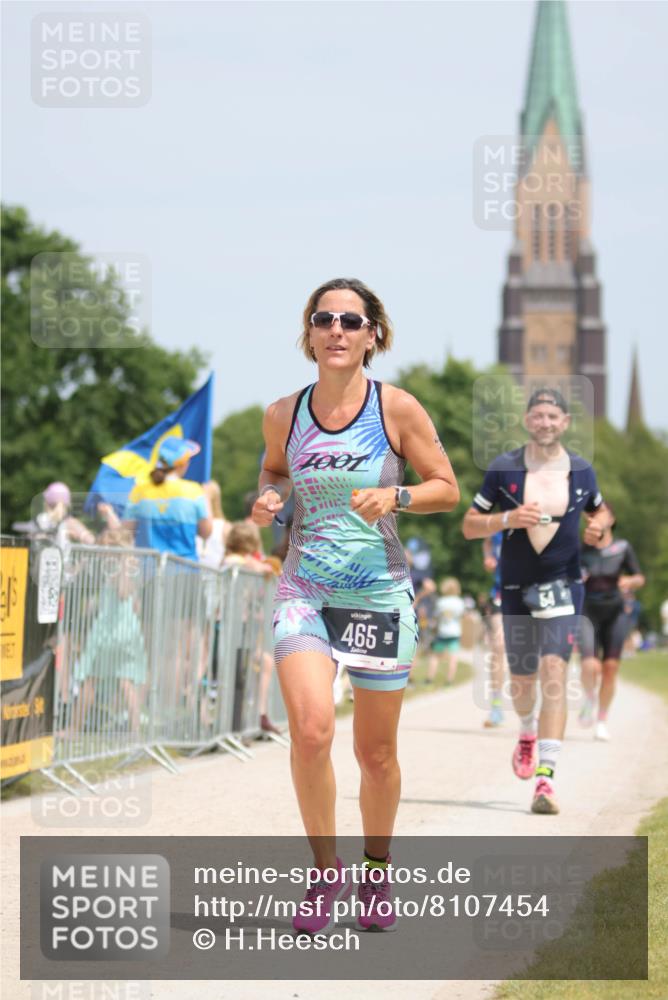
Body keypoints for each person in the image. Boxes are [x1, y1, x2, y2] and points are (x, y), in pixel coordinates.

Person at [252, 277, 459, 933]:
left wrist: (395, 498)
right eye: (324, 318)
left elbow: (447, 489)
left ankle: (376, 871)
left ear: (373, 334)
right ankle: (323, 874)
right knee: (311, 732)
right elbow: (275, 470)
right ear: (309, 332)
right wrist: (269, 499)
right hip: (305, 587)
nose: (336, 330)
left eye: (350, 319)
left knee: (376, 756)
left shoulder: (396, 409)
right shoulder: (284, 411)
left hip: (376, 592)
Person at [462, 387, 611, 816]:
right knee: (524, 683)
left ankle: (546, 778)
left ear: (565, 423)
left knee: (554, 671)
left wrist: (599, 531)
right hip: (516, 588)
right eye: (539, 415)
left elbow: (602, 514)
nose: (546, 422)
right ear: (528, 421)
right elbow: (470, 526)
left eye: (554, 416)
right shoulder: (504, 468)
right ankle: (526, 730)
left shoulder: (581, 471)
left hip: (565, 585)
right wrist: (507, 519)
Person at [579, 509, 645, 741]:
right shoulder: (581, 550)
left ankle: (602, 721)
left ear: (612, 520)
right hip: (587, 613)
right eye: (592, 514)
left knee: (610, 669)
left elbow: (639, 577)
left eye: (602, 513)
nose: (596, 517)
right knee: (590, 667)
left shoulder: (623, 547)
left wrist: (630, 580)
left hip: (615, 613)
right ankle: (589, 697)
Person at [125, 438, 212, 558]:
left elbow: (126, 531)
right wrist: (207, 498)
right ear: (182, 464)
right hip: (185, 570)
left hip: (146, 569)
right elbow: (206, 532)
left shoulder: (139, 491)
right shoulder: (194, 491)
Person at [481, 531, 506, 727]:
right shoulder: (500, 524)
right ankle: (496, 706)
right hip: (501, 593)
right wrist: (488, 557)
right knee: (498, 646)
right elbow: (487, 540)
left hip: (530, 593)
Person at [426, 577, 465, 684]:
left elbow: (436, 616)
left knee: (435, 656)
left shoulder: (441, 602)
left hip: (442, 632)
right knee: (453, 657)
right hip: (455, 632)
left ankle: (429, 679)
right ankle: (449, 680)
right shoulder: (460, 602)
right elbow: (462, 615)